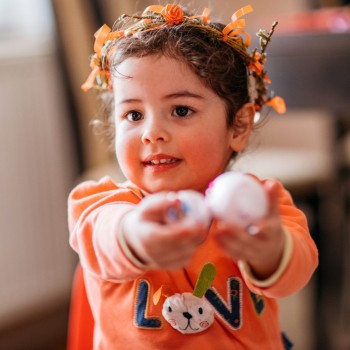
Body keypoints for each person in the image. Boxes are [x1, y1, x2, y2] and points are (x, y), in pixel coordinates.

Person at [68, 3, 318, 349]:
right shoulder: (102, 205)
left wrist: (271, 249)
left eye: (181, 110)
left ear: (239, 125)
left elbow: (296, 270)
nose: (151, 132)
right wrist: (136, 233)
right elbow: (103, 237)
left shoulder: (260, 205)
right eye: (134, 114)